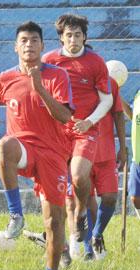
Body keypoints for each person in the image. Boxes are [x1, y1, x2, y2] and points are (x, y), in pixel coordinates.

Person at [0, 21, 73, 270]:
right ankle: (16, 214)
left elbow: (65, 117)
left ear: (42, 46)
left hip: (53, 154)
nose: (29, 45)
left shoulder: (57, 76)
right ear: (16, 47)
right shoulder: (4, 79)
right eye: (24, 40)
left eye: (35, 40)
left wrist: (40, 88)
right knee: (4, 144)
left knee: (54, 224)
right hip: (24, 147)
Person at [24, 72, 126, 262]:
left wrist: (122, 146)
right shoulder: (63, 81)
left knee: (105, 199)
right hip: (74, 152)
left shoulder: (109, 83)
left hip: (104, 153)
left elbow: (118, 113)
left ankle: (93, 238)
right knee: (72, 201)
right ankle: (74, 247)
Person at [42, 14, 113, 256]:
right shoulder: (49, 62)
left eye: (78, 35)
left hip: (85, 131)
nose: (73, 39)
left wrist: (89, 122)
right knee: (65, 196)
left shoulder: (95, 62)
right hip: (57, 135)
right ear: (61, 38)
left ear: (85, 36)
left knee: (80, 176)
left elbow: (107, 100)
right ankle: (72, 244)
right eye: (69, 35)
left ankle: (83, 216)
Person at [128, 89, 140, 211]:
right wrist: (118, 97)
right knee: (135, 198)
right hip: (137, 156)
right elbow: (132, 115)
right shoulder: (138, 94)